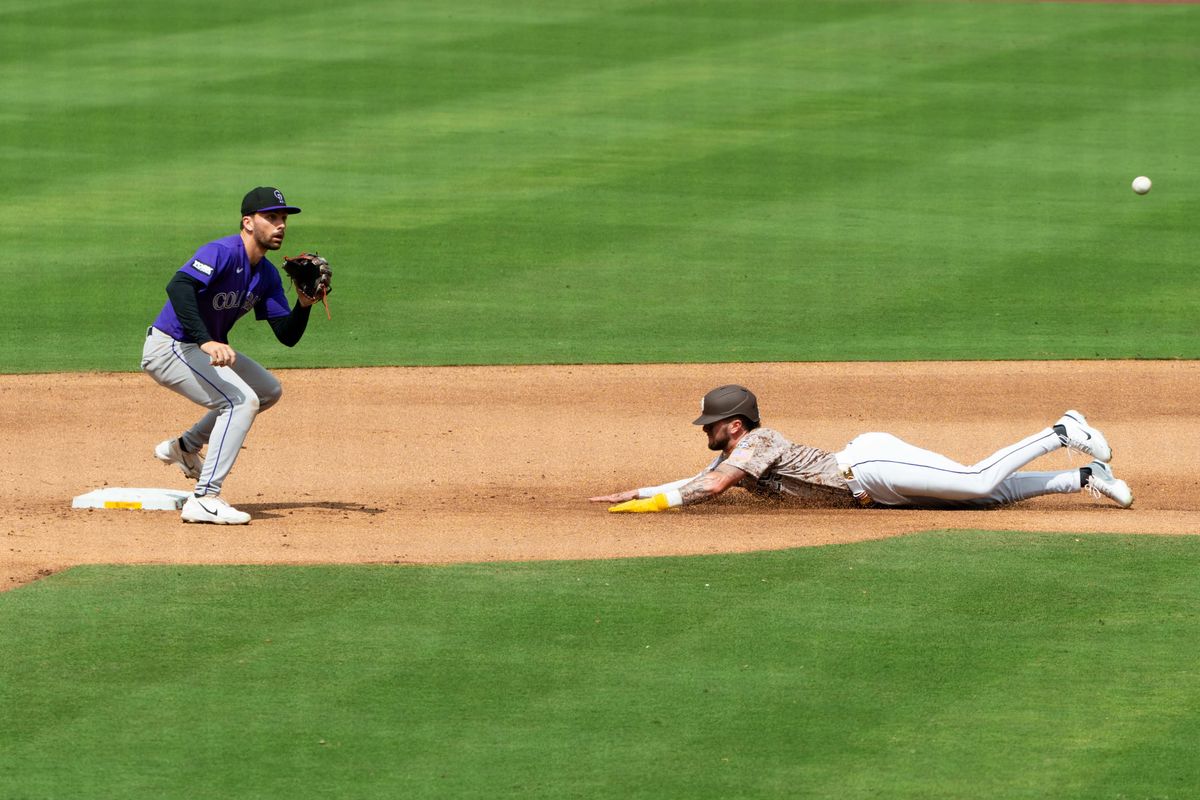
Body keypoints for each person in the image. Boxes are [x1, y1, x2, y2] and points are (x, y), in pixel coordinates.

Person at [590, 384, 1133, 513]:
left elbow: (709, 486)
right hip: (873, 494)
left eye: (710, 424)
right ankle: (1085, 478)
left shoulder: (758, 444)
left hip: (869, 467)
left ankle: (1061, 432)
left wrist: (652, 506)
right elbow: (699, 478)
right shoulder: (733, 453)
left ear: (733, 426)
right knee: (985, 500)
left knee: (977, 481)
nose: (703, 429)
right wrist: (637, 491)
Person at [141, 187, 326, 525]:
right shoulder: (221, 251)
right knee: (240, 401)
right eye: (271, 218)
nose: (280, 225)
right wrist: (206, 341)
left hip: (199, 347)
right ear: (248, 222)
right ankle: (205, 497)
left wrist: (303, 306)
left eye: (283, 218)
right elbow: (178, 287)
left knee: (268, 390)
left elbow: (287, 336)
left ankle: (186, 446)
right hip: (171, 346)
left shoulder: (267, 275)